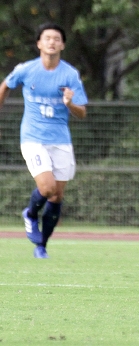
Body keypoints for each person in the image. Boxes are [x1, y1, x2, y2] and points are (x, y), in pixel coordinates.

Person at [0, 23, 88, 259]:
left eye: (56, 38)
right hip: (33, 137)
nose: (52, 42)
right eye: (47, 38)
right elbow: (5, 87)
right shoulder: (26, 70)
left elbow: (82, 113)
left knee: (57, 197)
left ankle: (42, 246)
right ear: (39, 43)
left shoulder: (69, 74)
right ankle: (30, 214)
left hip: (60, 140)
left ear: (62, 45)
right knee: (47, 188)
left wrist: (70, 104)